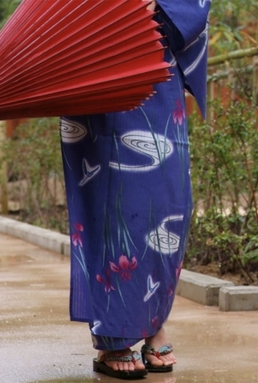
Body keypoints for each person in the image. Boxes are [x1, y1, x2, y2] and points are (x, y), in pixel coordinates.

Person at [59, 0, 211, 379]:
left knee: (168, 205)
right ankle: (114, 337)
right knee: (112, 207)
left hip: (155, 69)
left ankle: (154, 320)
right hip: (96, 64)